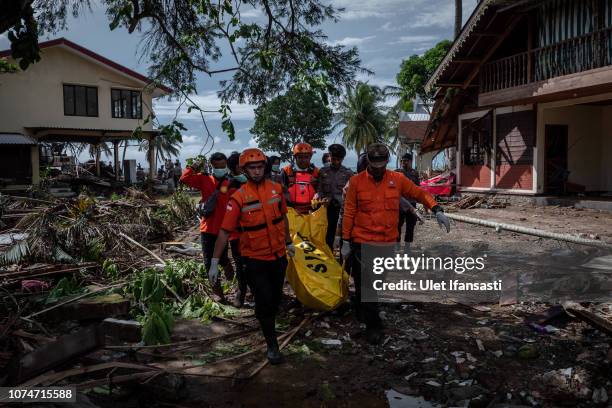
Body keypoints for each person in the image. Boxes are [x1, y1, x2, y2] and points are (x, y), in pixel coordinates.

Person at [341, 143, 450, 344]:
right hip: (362, 242)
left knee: (377, 282)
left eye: (382, 166)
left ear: (386, 163)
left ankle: (360, 306)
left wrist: (437, 209)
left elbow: (419, 193)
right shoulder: (356, 182)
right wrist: (345, 241)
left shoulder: (397, 179)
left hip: (386, 243)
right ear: (368, 164)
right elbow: (349, 213)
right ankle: (373, 328)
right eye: (374, 167)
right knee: (369, 286)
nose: (378, 171)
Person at [209, 148, 295, 365]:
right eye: (252, 168)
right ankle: (272, 345)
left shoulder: (277, 189)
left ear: (264, 167)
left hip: (278, 256)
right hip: (254, 259)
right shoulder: (237, 197)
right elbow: (224, 232)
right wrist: (214, 262)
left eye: (259, 167)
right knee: (264, 300)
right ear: (244, 170)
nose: (257, 171)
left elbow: (283, 219)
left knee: (275, 299)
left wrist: (288, 242)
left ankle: (266, 319)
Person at [179, 152, 236, 302]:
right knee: (208, 262)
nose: (221, 168)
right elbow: (184, 178)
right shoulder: (204, 179)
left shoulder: (230, 181)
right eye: (217, 166)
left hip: (224, 229)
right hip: (208, 228)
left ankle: (233, 280)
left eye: (223, 166)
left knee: (223, 258)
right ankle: (218, 293)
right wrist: (194, 166)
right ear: (212, 166)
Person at [317, 144, 353, 252]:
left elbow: (350, 195)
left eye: (338, 159)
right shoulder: (323, 171)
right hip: (326, 210)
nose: (335, 161)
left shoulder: (348, 173)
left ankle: (342, 263)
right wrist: (322, 198)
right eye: (333, 158)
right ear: (329, 156)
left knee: (343, 237)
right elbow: (319, 190)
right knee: (327, 237)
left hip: (342, 211)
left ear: (342, 159)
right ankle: (328, 261)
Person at [226, 152, 249, 307]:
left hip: (251, 231)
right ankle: (241, 292)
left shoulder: (251, 181)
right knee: (241, 264)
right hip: (238, 233)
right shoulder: (229, 185)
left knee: (251, 263)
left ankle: (248, 291)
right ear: (237, 167)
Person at [281, 142, 319, 214]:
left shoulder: (316, 171)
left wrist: (318, 193)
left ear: (310, 157)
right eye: (300, 157)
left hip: (312, 211)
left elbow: (321, 190)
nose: (303, 160)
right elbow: (280, 190)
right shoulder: (286, 171)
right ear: (295, 157)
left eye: (306, 157)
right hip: (291, 211)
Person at [396, 153, 420, 246]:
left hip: (412, 204)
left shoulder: (414, 173)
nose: (403, 163)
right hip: (399, 204)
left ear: (410, 161)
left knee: (410, 226)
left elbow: (418, 188)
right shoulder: (396, 172)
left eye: (405, 161)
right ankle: (397, 246)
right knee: (397, 225)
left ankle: (407, 247)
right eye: (402, 161)